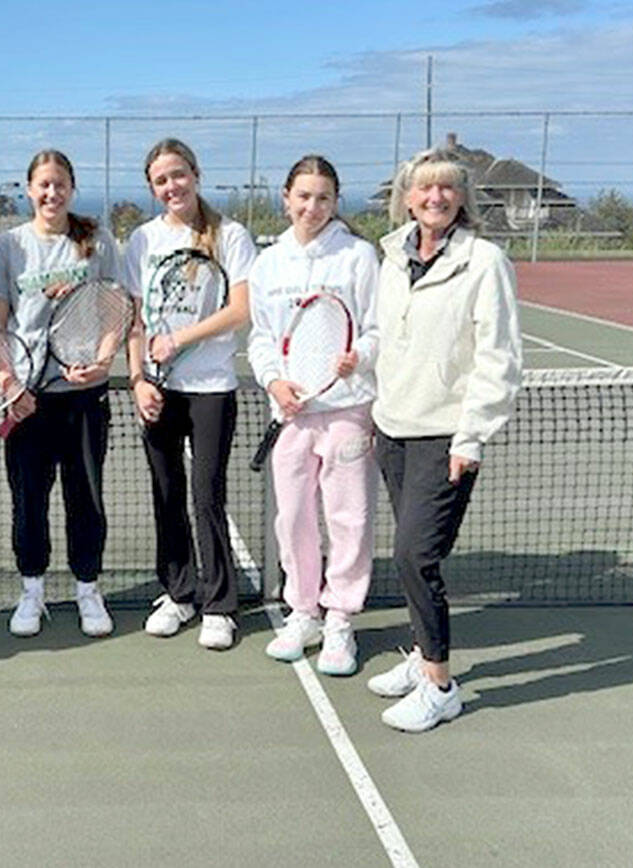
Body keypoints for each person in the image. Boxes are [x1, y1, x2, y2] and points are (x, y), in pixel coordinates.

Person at [367, 147, 522, 731]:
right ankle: (419, 654)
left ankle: (439, 684)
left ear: (462, 198)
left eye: (447, 188)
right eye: (424, 188)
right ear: (406, 197)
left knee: (414, 554)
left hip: (445, 437)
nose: (435, 197)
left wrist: (471, 436)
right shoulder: (392, 257)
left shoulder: (485, 262)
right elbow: (386, 333)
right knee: (414, 557)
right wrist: (364, 360)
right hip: (394, 429)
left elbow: (499, 358)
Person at [248, 155, 380, 676]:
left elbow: (375, 328)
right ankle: (303, 611)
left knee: (349, 517)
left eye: (323, 197)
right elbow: (261, 338)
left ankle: (340, 618)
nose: (312, 206)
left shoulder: (358, 257)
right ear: (286, 198)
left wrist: (359, 358)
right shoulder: (268, 263)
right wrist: (275, 383)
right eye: (303, 196)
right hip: (291, 414)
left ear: (335, 202)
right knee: (294, 517)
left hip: (348, 408)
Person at [123, 138, 256, 650]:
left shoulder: (231, 235)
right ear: (153, 188)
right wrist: (138, 379)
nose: (171, 186)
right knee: (166, 495)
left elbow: (241, 309)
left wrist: (180, 338)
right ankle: (178, 594)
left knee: (206, 496)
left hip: (211, 389)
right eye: (161, 180)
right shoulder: (143, 240)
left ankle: (219, 605)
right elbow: (136, 319)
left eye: (178, 175)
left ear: (196, 175)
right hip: (158, 388)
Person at [0, 150, 121, 638]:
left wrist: (103, 362)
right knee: (29, 501)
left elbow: (114, 312)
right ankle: (32, 591)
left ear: (71, 188)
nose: (51, 193)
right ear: (28, 189)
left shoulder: (96, 242)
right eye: (43, 184)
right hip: (26, 398)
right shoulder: (7, 247)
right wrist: (9, 383)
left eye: (60, 184)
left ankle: (88, 588)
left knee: (86, 498)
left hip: (84, 396)